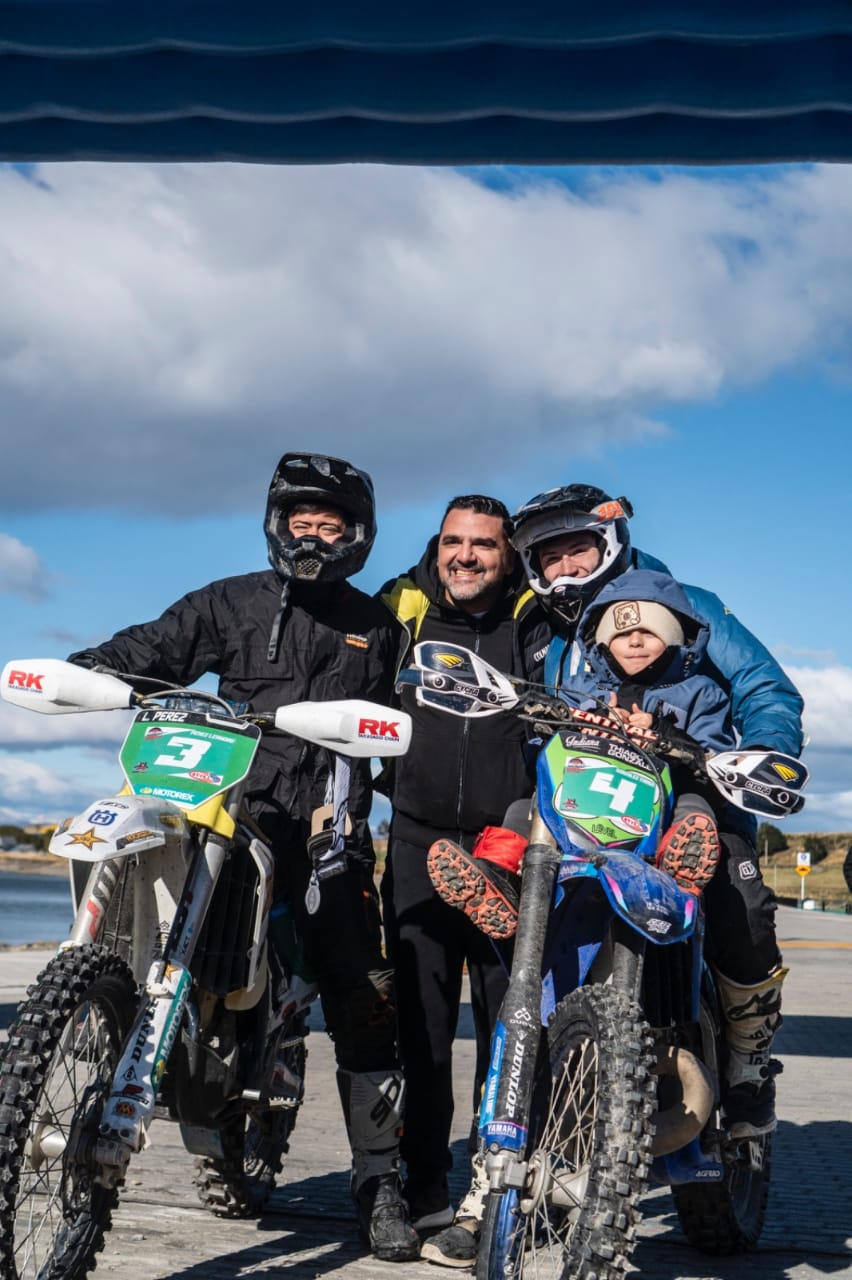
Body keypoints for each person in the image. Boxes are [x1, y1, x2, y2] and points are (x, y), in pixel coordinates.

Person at [423, 484, 803, 1268]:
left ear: (612, 541)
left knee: (737, 895)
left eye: (577, 549)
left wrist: (759, 752)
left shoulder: (686, 606)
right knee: (523, 983)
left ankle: (745, 1062)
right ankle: (493, 1185)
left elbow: (764, 687)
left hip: (688, 794)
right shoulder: (547, 626)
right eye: (549, 555)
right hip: (579, 805)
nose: (565, 566)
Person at [67, 452, 419, 1263]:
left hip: (326, 827)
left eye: (330, 524)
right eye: (302, 520)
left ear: (358, 535)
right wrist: (88, 671)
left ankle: (379, 1179)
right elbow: (155, 647)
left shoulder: (378, 627)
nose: (313, 535)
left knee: (362, 986)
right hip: (234, 809)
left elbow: (405, 729)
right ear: (277, 524)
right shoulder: (231, 600)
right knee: (156, 910)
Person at [377, 496, 549, 1249]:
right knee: (421, 1027)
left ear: (509, 555)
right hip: (415, 841)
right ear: (437, 544)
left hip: (506, 847)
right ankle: (423, 1185)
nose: (466, 556)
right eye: (454, 541)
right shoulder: (401, 609)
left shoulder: (537, 620)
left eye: (483, 544)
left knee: (508, 1025)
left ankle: (493, 1185)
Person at [430, 568, 733, 930]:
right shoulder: (581, 688)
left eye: (650, 633)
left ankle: (679, 868)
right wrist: (581, 724)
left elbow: (715, 757)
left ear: (675, 638)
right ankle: (500, 877)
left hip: (661, 805)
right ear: (602, 641)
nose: (635, 642)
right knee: (523, 809)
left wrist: (663, 733)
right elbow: (542, 747)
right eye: (622, 634)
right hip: (582, 797)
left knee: (695, 807)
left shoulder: (700, 692)